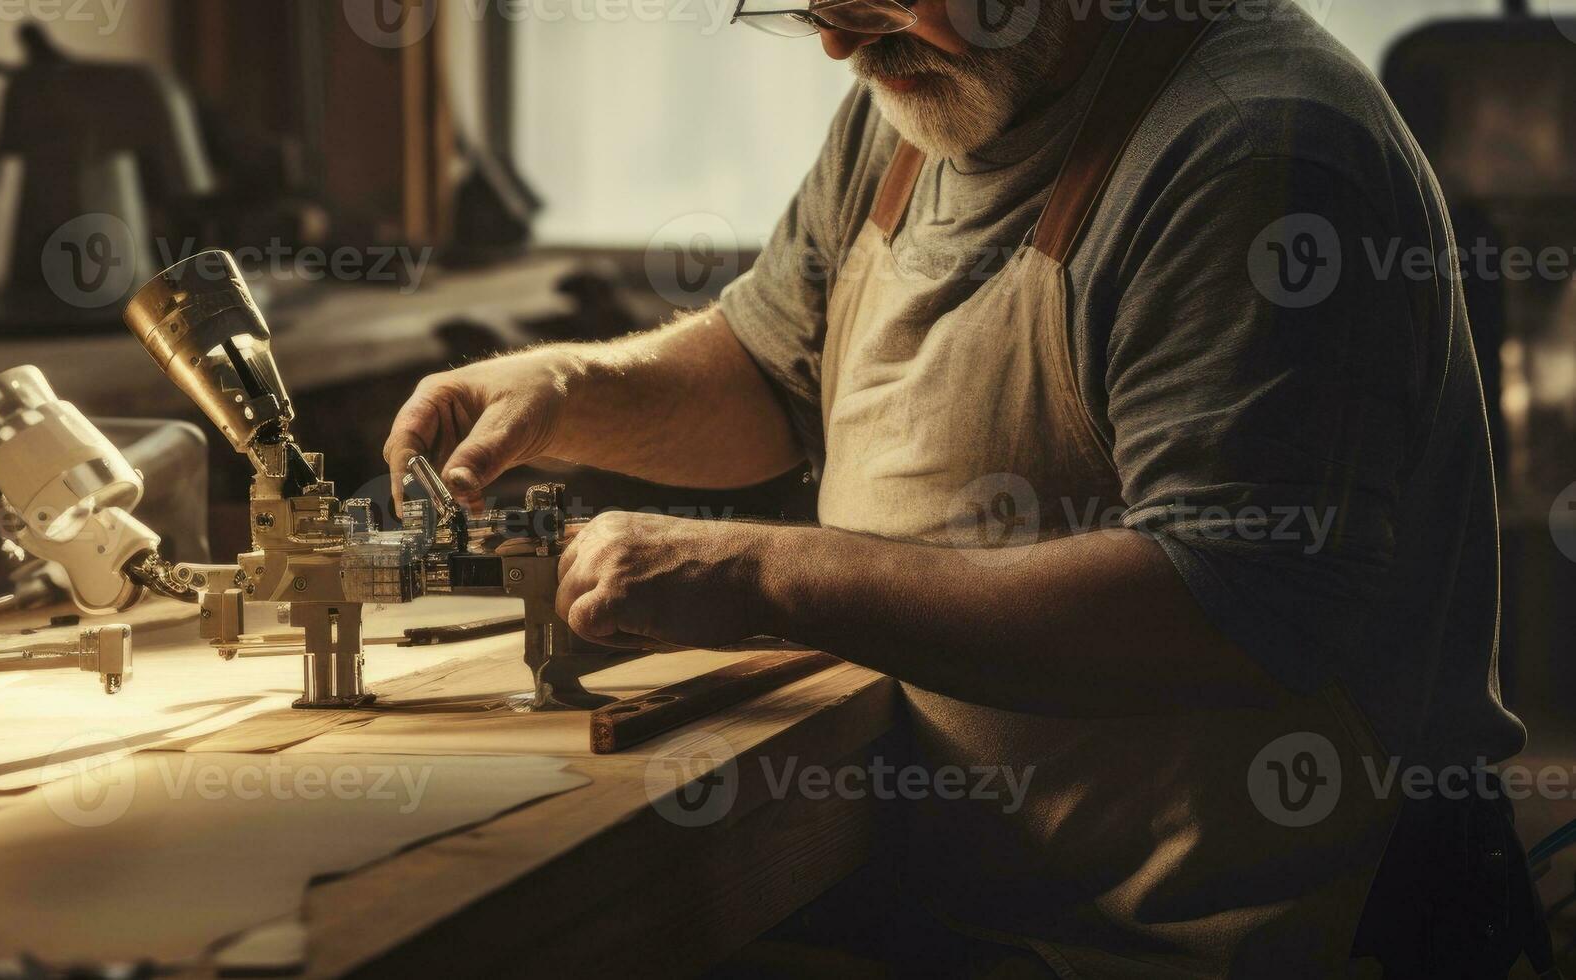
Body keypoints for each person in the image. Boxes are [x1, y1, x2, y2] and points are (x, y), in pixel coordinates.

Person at [382, 0, 1526, 973]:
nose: (839, 45)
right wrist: (564, 389)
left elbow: (1221, 607)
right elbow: (772, 373)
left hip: (1223, 936)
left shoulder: (1251, 148)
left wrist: (760, 570)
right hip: (986, 903)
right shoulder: (915, 99)